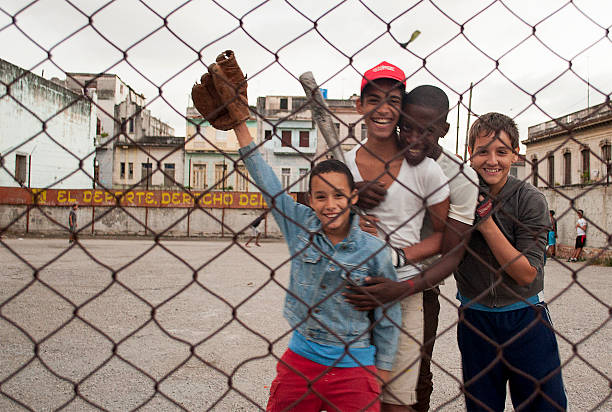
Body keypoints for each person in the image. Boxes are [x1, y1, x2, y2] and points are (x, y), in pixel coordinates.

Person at [200, 54, 402, 411]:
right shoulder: (300, 227)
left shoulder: (373, 250)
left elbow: (389, 312)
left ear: (353, 196)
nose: (330, 204)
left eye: (339, 195)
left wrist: (382, 369)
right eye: (320, 196)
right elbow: (266, 180)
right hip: (302, 360)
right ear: (310, 199)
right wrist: (240, 126)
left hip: (356, 365)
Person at [345, 85, 477, 411]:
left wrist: (401, 280)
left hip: (419, 283)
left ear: (444, 130)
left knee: (415, 378)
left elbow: (453, 251)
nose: (415, 138)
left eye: (427, 131)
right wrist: (351, 193)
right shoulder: (384, 154)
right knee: (354, 372)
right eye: (408, 127)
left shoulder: (460, 178)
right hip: (361, 279)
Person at [456, 112, 567, 411]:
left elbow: (525, 275)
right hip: (475, 318)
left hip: (524, 316)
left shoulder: (530, 199)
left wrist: (486, 223)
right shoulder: (458, 194)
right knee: (482, 405)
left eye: (502, 151)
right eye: (482, 151)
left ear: (515, 155)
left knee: (543, 405)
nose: (492, 160)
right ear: (470, 154)